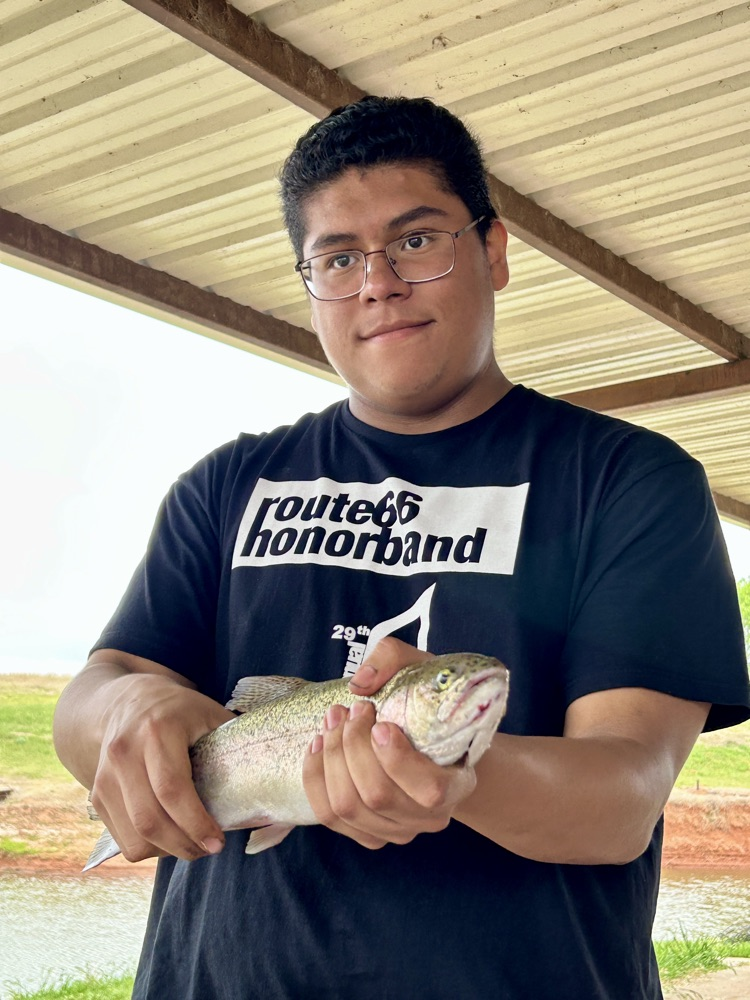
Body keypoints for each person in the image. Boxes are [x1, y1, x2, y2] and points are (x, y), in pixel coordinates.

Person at [53, 96, 750, 1000]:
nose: (376, 282)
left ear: (493, 251)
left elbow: (623, 797)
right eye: (338, 258)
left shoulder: (628, 481)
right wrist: (127, 708)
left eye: (416, 241)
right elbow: (94, 692)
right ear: (310, 284)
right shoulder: (226, 483)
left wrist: (455, 775)